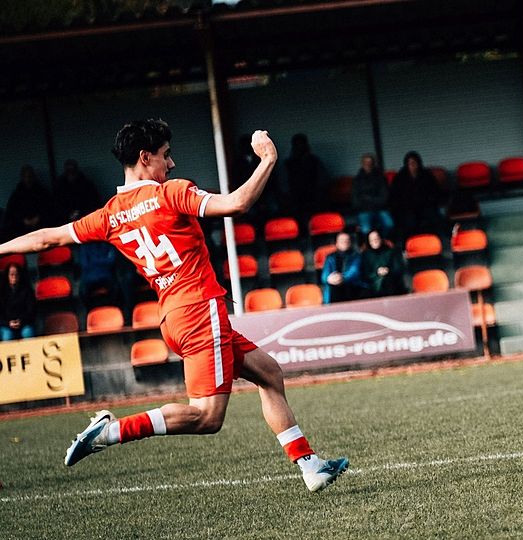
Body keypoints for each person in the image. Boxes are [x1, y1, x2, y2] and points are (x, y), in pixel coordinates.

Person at [0, 119, 348, 492]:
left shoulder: (109, 214)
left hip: (174, 315)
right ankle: (111, 431)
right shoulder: (171, 193)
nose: (172, 163)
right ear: (144, 157)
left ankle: (310, 466)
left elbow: (47, 239)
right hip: (199, 311)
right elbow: (238, 203)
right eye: (166, 155)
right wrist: (267, 159)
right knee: (206, 417)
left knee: (269, 373)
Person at [389, 151, 444, 241]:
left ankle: (438, 240)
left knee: (435, 218)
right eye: (410, 163)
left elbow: (434, 191)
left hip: (426, 205)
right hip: (407, 207)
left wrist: (429, 202)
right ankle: (411, 242)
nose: (412, 165)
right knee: (408, 222)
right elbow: (396, 196)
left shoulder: (426, 174)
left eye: (414, 163)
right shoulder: (400, 177)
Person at [285, 133, 330, 220]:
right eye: (298, 145)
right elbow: (284, 187)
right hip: (295, 201)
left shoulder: (315, 161)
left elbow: (323, 181)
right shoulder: (288, 164)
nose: (300, 148)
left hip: (314, 199)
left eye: (302, 145)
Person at [3, 165, 54, 241]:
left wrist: (38, 218)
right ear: (22, 177)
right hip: (21, 227)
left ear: (33, 177)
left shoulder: (42, 191)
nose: (28, 179)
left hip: (41, 225)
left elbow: (49, 207)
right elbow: (11, 212)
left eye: (30, 176)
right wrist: (23, 220)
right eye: (26, 176)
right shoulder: (17, 194)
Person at [352, 153, 394, 237]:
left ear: (374, 164)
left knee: (389, 224)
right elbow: (355, 199)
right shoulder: (357, 180)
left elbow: (385, 197)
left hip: (380, 208)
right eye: (366, 163)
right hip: (364, 210)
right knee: (365, 229)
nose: (368, 165)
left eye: (370, 163)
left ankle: (382, 240)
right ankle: (370, 243)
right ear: (362, 164)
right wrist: (371, 201)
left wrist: (368, 199)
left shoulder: (381, 178)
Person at [320, 231, 366, 303]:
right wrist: (329, 279)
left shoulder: (356, 256)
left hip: (352, 287)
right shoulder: (330, 257)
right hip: (334, 287)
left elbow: (354, 272)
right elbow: (324, 276)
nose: (345, 242)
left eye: (347, 240)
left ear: (350, 242)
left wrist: (342, 277)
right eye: (342, 241)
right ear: (337, 243)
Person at [361, 229, 406, 298]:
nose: (375, 241)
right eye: (372, 240)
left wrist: (388, 271)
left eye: (376, 238)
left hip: (391, 281)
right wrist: (377, 273)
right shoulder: (365, 255)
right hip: (372, 284)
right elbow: (365, 273)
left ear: (381, 239)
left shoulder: (391, 252)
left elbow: (398, 268)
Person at [76, 241, 119, 309]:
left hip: (106, 275)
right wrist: (103, 262)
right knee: (83, 292)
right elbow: (84, 264)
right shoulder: (84, 246)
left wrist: (94, 262)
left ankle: (113, 309)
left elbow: (112, 260)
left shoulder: (108, 244)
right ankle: (90, 311)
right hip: (90, 277)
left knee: (117, 289)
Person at [0, 263, 36, 341]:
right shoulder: (1, 292)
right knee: (7, 336)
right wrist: (8, 323)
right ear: (7, 276)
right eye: (11, 274)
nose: (14, 277)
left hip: (24, 323)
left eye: (16, 274)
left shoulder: (27, 290)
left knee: (28, 333)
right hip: (6, 325)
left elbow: (31, 311)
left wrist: (21, 321)